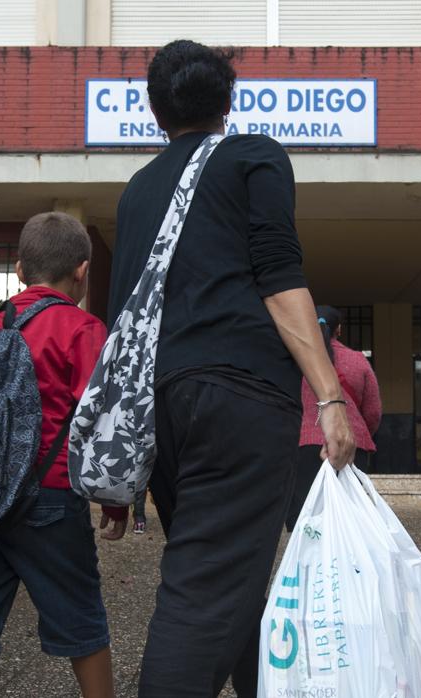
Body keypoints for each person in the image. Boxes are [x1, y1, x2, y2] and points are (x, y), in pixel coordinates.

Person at [109, 40, 356, 697]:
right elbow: (279, 278)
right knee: (206, 586)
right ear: (228, 102)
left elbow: (125, 314)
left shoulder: (137, 191)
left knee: (224, 573)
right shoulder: (253, 155)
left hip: (158, 405)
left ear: (157, 113)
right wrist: (330, 397)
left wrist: (121, 473)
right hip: (238, 399)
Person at [0, 212, 126, 698]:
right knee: (83, 623)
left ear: (18, 271)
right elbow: (103, 422)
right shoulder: (83, 328)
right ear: (82, 271)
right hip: (47, 496)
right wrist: (116, 502)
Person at [286, 305, 382, 530]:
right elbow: (373, 412)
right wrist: (358, 432)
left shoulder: (295, 360)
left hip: (302, 448)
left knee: (305, 523)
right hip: (350, 446)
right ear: (339, 329)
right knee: (350, 522)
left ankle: (310, 565)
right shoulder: (358, 360)